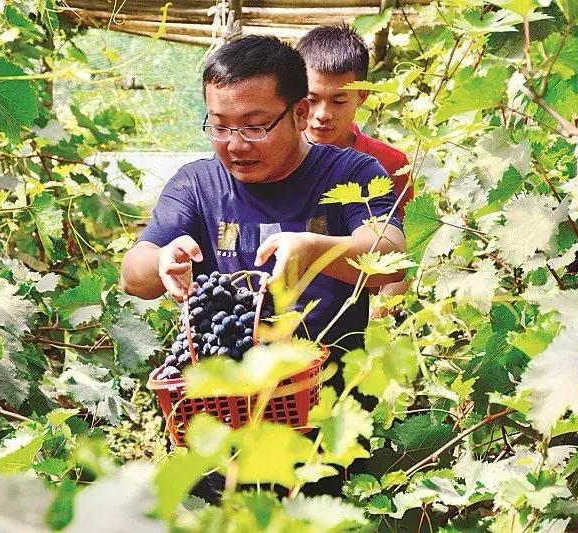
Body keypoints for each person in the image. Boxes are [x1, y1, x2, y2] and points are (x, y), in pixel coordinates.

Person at [120, 35, 405, 498]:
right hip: (226, 420)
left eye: (254, 126)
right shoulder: (196, 184)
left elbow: (389, 255)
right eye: (219, 126)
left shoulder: (353, 172)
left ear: (297, 114)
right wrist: (162, 260)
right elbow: (134, 274)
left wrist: (315, 249)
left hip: (329, 418)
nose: (235, 145)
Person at [296, 24, 412, 314]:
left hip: (360, 315)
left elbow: (401, 260)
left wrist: (379, 317)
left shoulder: (392, 164)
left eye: (338, 100)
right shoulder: (272, 159)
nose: (322, 115)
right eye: (312, 100)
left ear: (361, 95)